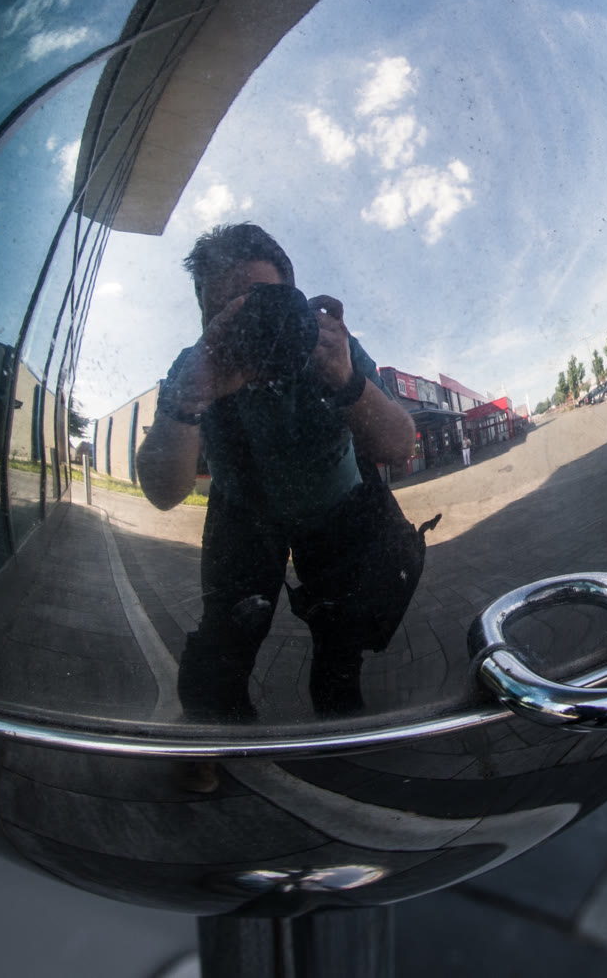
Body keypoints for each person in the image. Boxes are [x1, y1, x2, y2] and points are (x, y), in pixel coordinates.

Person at [137, 223, 418, 718]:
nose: (245, 325)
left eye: (258, 303)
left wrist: (346, 380)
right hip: (243, 511)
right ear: (204, 318)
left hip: (337, 503)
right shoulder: (197, 366)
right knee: (226, 644)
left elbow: (400, 448)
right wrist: (190, 398)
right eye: (223, 313)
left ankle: (339, 714)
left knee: (343, 639)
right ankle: (223, 732)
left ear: (294, 300)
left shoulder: (328, 346)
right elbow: (163, 493)